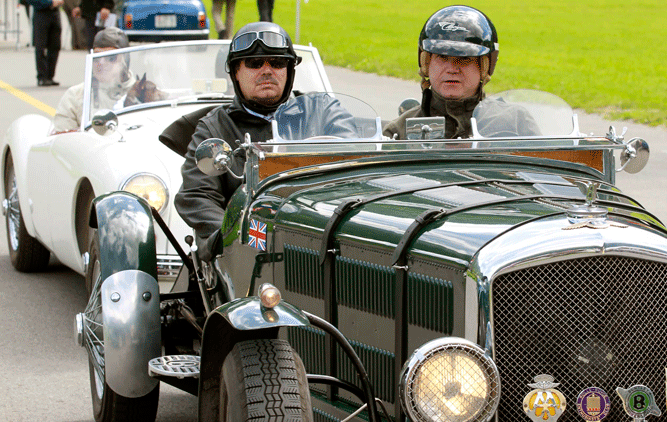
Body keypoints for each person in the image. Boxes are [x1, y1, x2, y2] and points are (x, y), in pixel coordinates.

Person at [174, 22, 358, 260]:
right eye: (254, 63)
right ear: (236, 72)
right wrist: (238, 237)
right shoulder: (215, 127)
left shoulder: (321, 111)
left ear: (289, 70)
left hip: (319, 239)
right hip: (247, 253)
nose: (267, 71)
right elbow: (198, 196)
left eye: (277, 63)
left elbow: (356, 161)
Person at [383, 5, 539, 140]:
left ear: (483, 67)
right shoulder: (398, 132)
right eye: (442, 57)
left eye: (464, 59)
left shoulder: (515, 121)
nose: (452, 69)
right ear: (426, 63)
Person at [53, 27, 133, 132]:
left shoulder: (144, 93)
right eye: (97, 57)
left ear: (124, 60)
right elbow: (63, 140)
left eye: (111, 57)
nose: (102, 62)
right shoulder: (74, 96)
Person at [29, 0, 64, 86]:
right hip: (41, 12)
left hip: (55, 12)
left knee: (55, 46)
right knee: (40, 47)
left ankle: (50, 76)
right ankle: (42, 77)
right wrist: (50, 2)